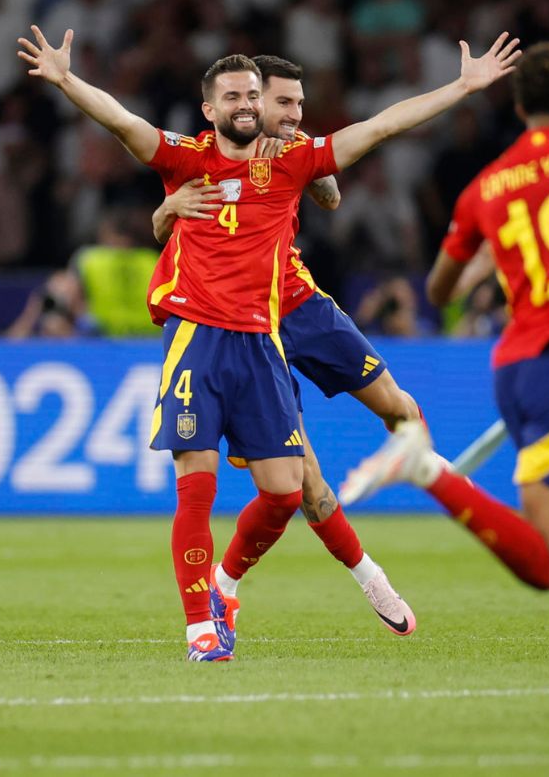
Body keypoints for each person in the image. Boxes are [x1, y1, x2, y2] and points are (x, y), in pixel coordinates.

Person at [19, 24, 520, 661]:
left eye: (253, 95)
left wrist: (462, 87)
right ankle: (201, 624)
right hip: (198, 336)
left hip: (264, 338)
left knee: (285, 492)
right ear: (210, 109)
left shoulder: (288, 163)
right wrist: (65, 80)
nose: (247, 105)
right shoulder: (185, 159)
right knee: (197, 481)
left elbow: (382, 127)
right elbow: (123, 122)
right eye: (233, 97)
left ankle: (232, 584)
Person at [340, 42, 549, 735]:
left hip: (516, 364)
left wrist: (499, 260)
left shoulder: (490, 185)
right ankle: (425, 466)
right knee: (546, 564)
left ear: (520, 107)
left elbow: (441, 289)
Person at [149, 55, 427, 643]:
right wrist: (163, 210)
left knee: (397, 406)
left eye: (298, 105)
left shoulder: (291, 155)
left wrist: (300, 149)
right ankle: (367, 577)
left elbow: (329, 197)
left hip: (297, 302)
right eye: (283, 104)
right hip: (236, 317)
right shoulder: (209, 154)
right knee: (306, 483)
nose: (291, 113)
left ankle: (442, 480)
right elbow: (167, 222)